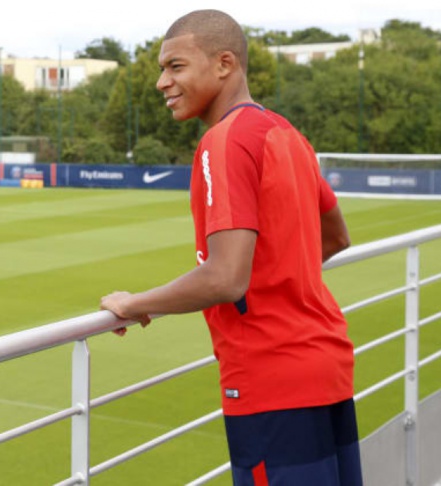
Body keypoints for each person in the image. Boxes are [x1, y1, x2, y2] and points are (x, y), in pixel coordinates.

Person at [99, 9, 363, 486]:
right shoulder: (286, 134)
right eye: (162, 69)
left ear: (224, 64)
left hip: (273, 383)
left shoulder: (224, 142)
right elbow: (336, 236)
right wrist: (278, 276)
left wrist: (135, 303)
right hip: (326, 368)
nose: (161, 82)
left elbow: (225, 277)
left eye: (175, 66)